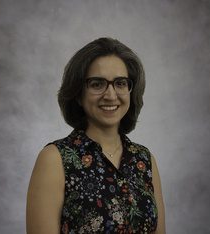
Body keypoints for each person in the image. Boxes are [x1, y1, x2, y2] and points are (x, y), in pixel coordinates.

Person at [26, 37, 165, 234]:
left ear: (130, 90)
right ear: (78, 93)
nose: (110, 95)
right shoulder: (54, 160)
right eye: (97, 84)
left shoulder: (145, 160)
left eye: (120, 83)